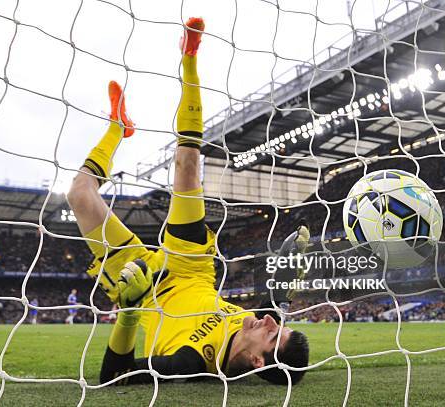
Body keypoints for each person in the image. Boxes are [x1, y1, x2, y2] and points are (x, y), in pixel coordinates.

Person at [67, 17, 309, 386]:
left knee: (80, 196)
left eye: (274, 335)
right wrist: (288, 270)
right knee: (187, 165)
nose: (271, 322)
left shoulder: (192, 362)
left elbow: (115, 377)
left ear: (258, 361)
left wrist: (129, 311)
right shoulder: (258, 319)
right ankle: (190, 56)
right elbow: (277, 301)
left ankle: (117, 129)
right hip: (191, 266)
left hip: (143, 289)